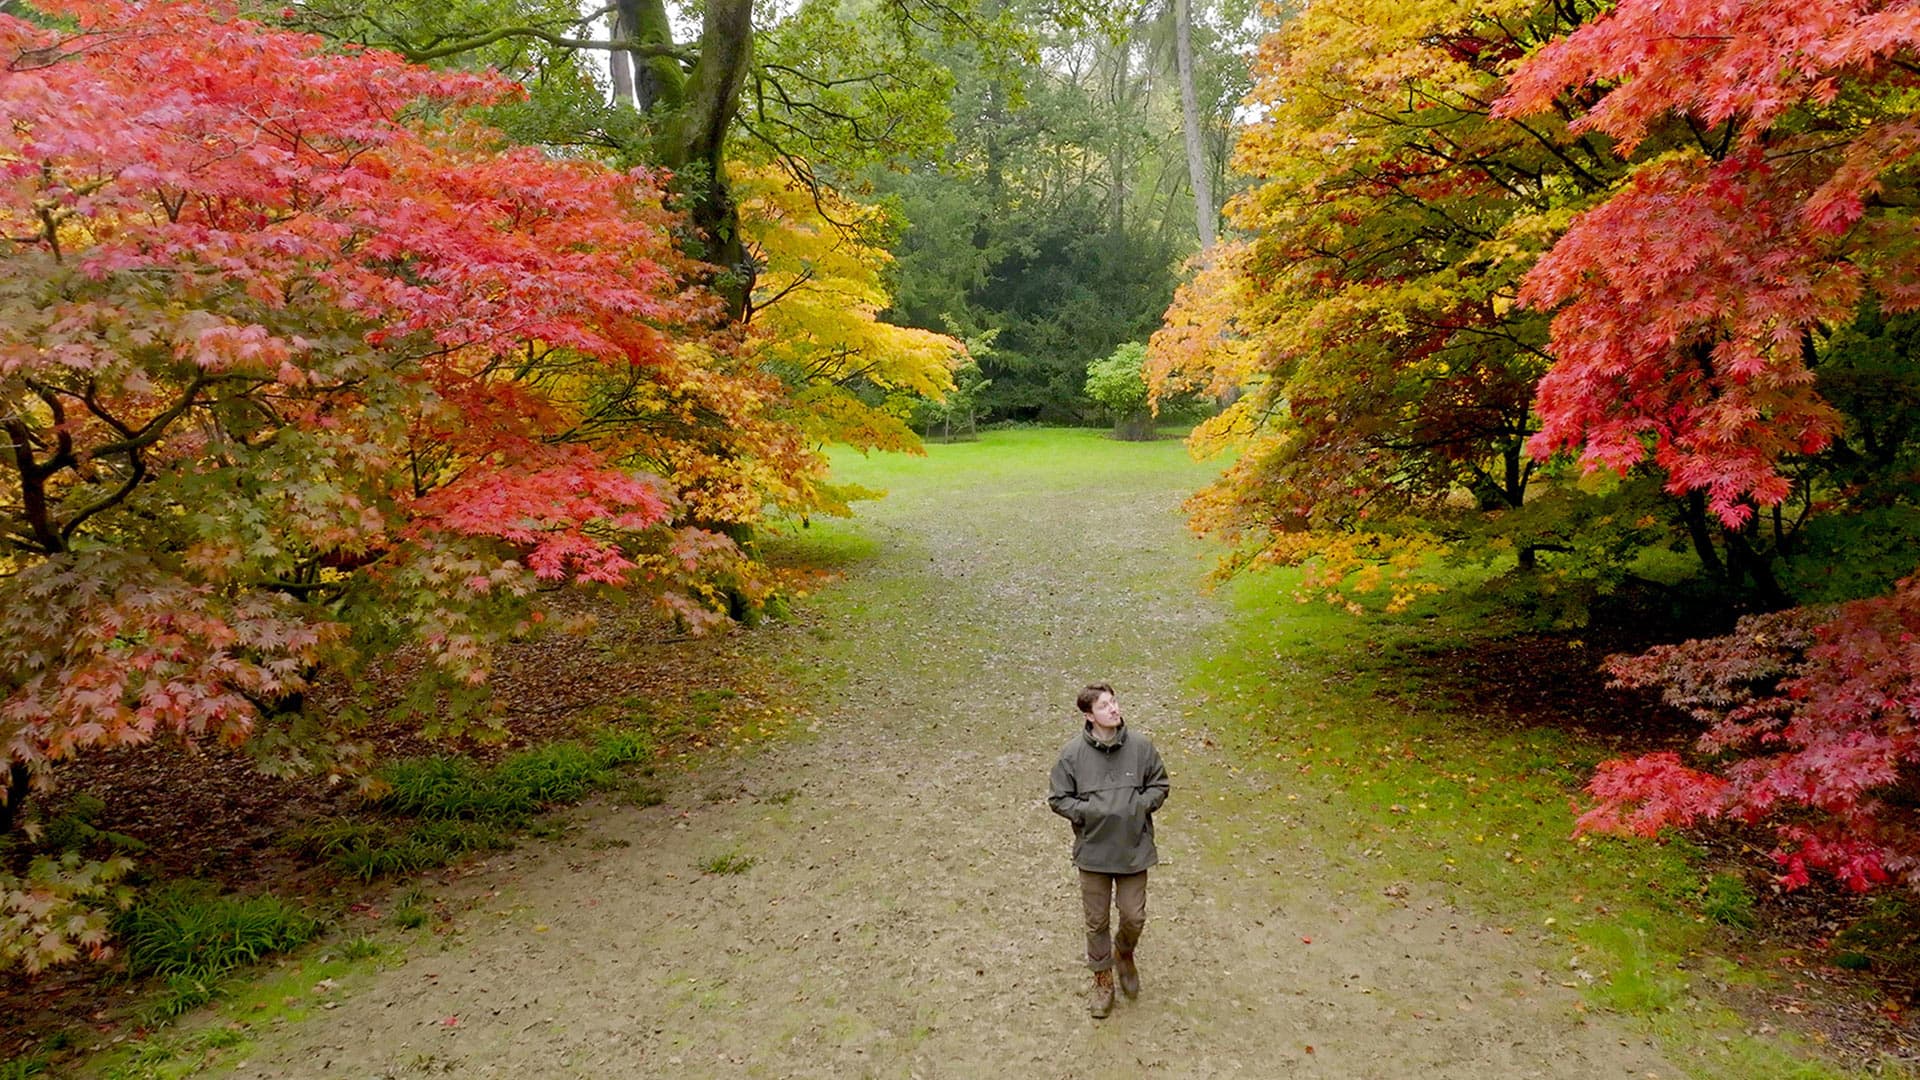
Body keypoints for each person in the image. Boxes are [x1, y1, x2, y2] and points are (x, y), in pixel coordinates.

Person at [1046, 682, 1171, 1018]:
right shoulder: (1072, 755)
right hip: (1093, 852)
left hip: (1133, 849)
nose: (1114, 709)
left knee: (1134, 916)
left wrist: (1135, 808)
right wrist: (1092, 813)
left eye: (1114, 702)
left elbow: (1160, 785)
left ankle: (1124, 953)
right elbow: (1058, 798)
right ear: (1089, 715)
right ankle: (1102, 979)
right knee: (1096, 921)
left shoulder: (1141, 746)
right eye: (1104, 705)